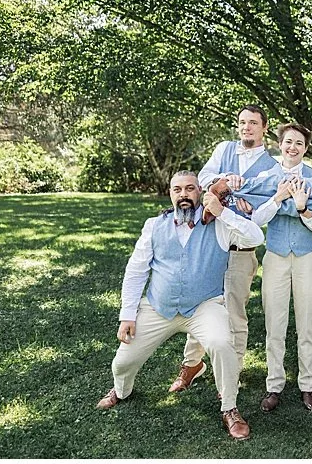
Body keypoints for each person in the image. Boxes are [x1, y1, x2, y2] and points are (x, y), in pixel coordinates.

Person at [98, 169, 265, 441]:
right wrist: (127, 314)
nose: (184, 195)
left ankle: (230, 407)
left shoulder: (220, 224)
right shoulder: (154, 225)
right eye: (178, 190)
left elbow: (256, 237)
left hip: (203, 306)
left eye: (190, 189)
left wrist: (223, 212)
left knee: (223, 344)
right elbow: (136, 271)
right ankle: (121, 390)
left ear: (200, 192)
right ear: (170, 194)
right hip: (158, 307)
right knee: (122, 362)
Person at [170, 105, 276, 397]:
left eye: (253, 122)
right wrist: (222, 181)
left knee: (234, 314)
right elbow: (202, 179)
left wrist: (250, 207)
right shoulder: (224, 149)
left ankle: (231, 372)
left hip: (241, 249)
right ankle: (192, 365)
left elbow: (266, 209)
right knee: (200, 306)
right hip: (210, 247)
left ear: (264, 127)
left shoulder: (272, 166)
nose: (246, 127)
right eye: (242, 122)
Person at [250, 123, 312, 412]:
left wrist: (301, 207)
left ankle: (308, 385)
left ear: (306, 148)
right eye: (288, 142)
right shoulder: (267, 177)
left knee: (307, 322)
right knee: (275, 323)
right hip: (276, 255)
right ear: (279, 145)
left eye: (299, 143)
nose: (293, 147)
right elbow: (256, 220)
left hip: (309, 256)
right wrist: (278, 198)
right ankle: (274, 384)